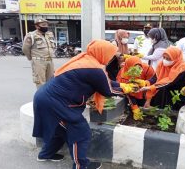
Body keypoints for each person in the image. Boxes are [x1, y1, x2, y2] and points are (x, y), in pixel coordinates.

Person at [32, 40, 136, 169]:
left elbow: (106, 82)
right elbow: (108, 90)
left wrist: (122, 85)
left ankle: (45, 154)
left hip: (46, 99)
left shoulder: (86, 60)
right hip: (55, 103)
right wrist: (129, 88)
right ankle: (81, 166)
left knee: (61, 130)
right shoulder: (94, 69)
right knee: (80, 132)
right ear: (102, 53)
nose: (111, 58)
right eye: (110, 55)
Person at [22, 18, 56, 89]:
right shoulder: (31, 35)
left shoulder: (49, 34)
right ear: (37, 26)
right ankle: (42, 99)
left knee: (51, 81)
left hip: (50, 60)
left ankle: (49, 97)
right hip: (39, 61)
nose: (45, 26)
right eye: (43, 25)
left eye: (46, 25)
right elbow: (25, 49)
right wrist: (31, 58)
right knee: (40, 82)